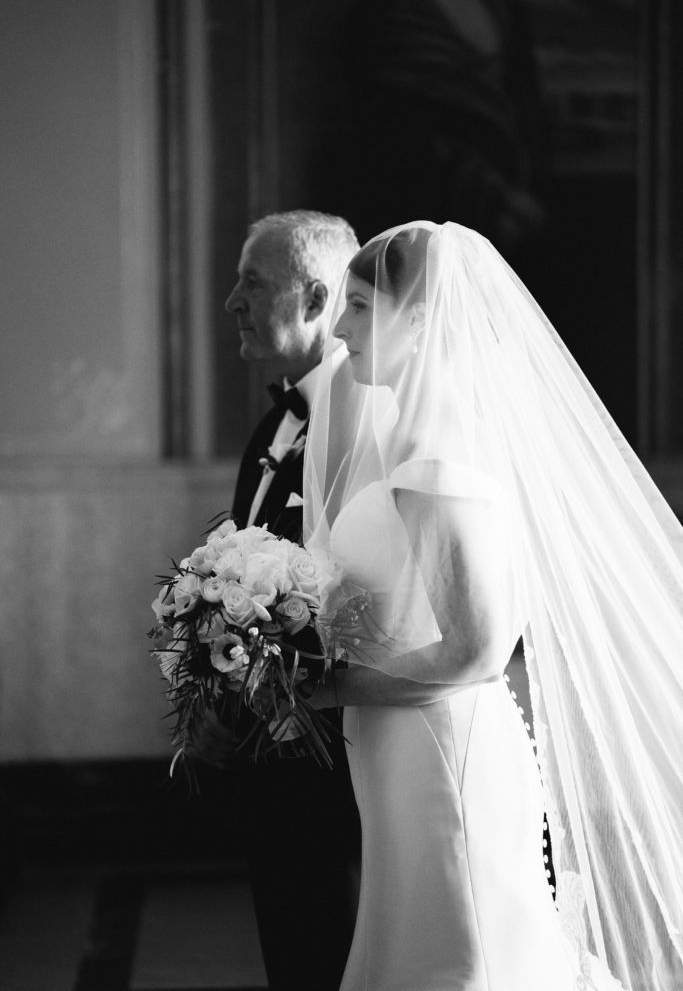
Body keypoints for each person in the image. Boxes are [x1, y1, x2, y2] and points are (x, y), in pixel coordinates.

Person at [303, 221, 683, 991]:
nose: (339, 331)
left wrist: (325, 687)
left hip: (440, 747)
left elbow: (477, 649)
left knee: (462, 956)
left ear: (419, 318)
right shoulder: (405, 432)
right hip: (400, 743)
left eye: (360, 307)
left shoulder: (435, 449)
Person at [198, 210, 362, 991]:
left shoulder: (366, 426)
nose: (231, 301)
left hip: (338, 763)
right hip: (272, 758)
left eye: (252, 283)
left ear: (316, 296)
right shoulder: (275, 419)